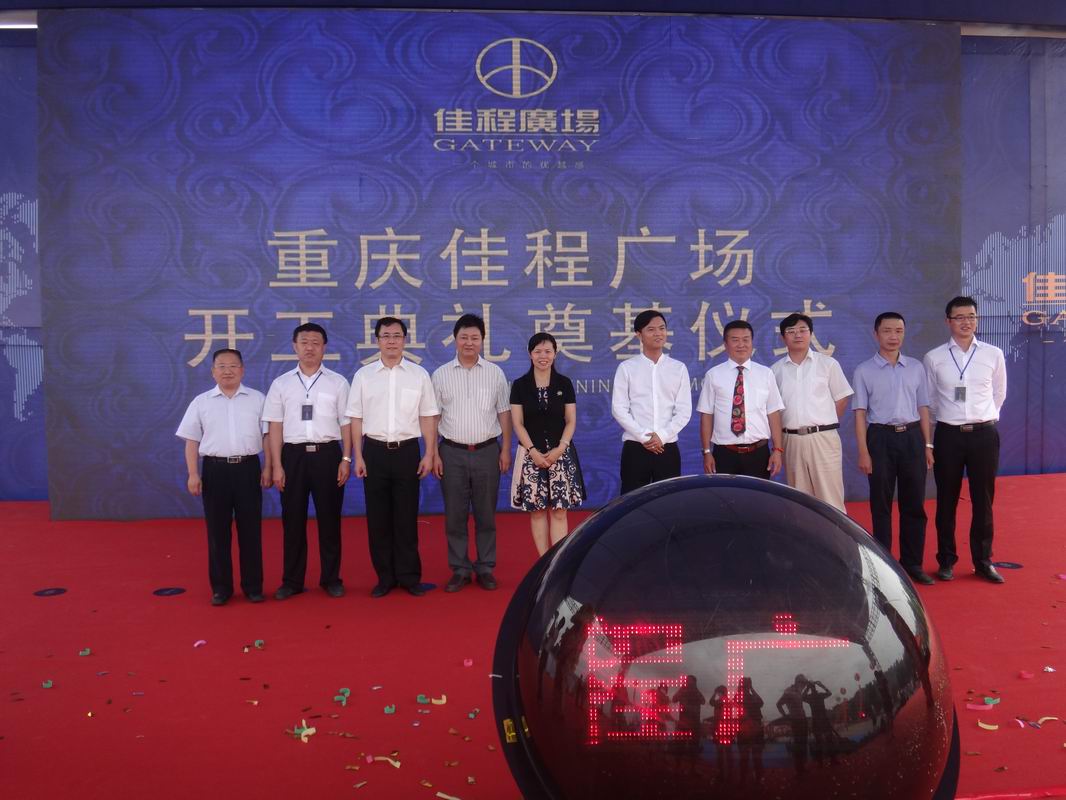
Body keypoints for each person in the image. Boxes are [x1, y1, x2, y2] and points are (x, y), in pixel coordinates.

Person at [346, 317, 439, 597]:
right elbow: (355, 418)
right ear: (377, 340)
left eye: (396, 336)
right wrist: (358, 456)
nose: (391, 341)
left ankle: (409, 577)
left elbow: (427, 416)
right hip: (373, 452)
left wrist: (429, 453)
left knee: (406, 517)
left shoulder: (418, 375)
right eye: (385, 336)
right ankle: (385, 578)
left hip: (407, 452)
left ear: (404, 340)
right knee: (378, 519)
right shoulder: (364, 376)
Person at [262, 323, 352, 600]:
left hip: (328, 455)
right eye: (304, 342)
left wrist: (346, 458)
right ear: (295, 346)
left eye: (315, 342)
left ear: (324, 347)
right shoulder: (281, 384)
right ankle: (292, 581)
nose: (310, 347)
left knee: (330, 520)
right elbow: (274, 426)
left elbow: (346, 423)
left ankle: (331, 579)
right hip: (293, 457)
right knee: (292, 521)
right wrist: (277, 465)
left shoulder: (338, 382)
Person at [923, 296, 1008, 583]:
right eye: (959, 317)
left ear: (977, 319)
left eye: (971, 316)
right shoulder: (934, 357)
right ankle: (946, 560)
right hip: (949, 435)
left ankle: (983, 561)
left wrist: (985, 417)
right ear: (948, 321)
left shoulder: (993, 354)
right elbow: (930, 400)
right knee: (946, 500)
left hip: (984, 434)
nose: (966, 322)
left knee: (983, 500)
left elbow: (999, 393)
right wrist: (938, 432)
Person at [176, 348, 271, 605]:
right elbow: (191, 441)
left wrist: (268, 467)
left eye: (233, 366)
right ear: (213, 371)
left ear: (242, 370)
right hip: (214, 470)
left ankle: (253, 586)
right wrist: (193, 474)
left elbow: (267, 436)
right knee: (217, 532)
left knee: (250, 530)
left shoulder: (258, 399)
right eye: (221, 366)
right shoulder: (201, 402)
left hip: (248, 468)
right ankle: (221, 588)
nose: (227, 371)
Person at [852, 312, 935, 584]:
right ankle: (885, 567)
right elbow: (860, 414)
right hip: (880, 438)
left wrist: (927, 445)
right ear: (876, 334)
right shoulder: (864, 370)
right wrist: (863, 451)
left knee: (914, 503)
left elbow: (923, 408)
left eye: (898, 331)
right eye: (887, 331)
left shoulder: (915, 367)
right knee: (881, 505)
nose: (893, 336)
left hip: (912, 437)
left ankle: (913, 563)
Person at [431, 313, 512, 593]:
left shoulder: (495, 373)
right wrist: (433, 453)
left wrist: (506, 449)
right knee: (455, 515)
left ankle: (485, 567)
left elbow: (504, 413)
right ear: (455, 340)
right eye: (464, 337)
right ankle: (460, 569)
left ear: (482, 340)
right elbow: (432, 418)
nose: (469, 342)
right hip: (451, 452)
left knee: (486, 514)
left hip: (487, 451)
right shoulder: (440, 374)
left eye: (474, 337)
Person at [510, 332, 586, 555]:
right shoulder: (520, 385)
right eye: (538, 351)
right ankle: (544, 562)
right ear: (530, 354)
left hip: (560, 454)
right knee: (537, 510)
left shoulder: (564, 383)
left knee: (560, 511)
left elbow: (571, 420)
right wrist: (532, 451)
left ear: (555, 353)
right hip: (531, 456)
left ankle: (557, 561)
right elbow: (517, 423)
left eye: (548, 351)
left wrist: (560, 448)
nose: (543, 356)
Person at [771, 312, 853, 511]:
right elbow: (773, 410)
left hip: (823, 438)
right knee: (800, 501)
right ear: (783, 337)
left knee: (830, 498)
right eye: (791, 331)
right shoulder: (774, 370)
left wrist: (822, 423)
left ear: (811, 333)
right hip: (791, 440)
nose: (797, 335)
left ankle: (835, 533)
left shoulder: (828, 364)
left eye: (803, 330)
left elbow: (842, 398)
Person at [611, 310, 691, 494]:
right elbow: (619, 409)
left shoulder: (678, 368)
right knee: (632, 502)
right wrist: (644, 436)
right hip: (635, 447)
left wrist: (662, 436)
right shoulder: (627, 368)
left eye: (662, 328)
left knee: (668, 501)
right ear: (639, 335)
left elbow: (684, 411)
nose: (658, 333)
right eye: (651, 329)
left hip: (667, 447)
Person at [699, 320, 784, 478]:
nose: (741, 345)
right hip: (724, 453)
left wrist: (778, 450)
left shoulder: (765, 374)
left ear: (752, 342)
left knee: (757, 494)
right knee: (724, 494)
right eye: (735, 340)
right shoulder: (713, 375)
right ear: (725, 344)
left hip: (759, 453)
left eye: (746, 339)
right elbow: (706, 415)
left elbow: (773, 413)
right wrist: (707, 451)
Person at [776, 675, 809, 776]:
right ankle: (799, 770)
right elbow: (778, 704)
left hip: (803, 720)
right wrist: (785, 716)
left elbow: (802, 697)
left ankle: (802, 767)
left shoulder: (798, 691)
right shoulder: (788, 691)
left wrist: (808, 687)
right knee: (798, 745)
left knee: (803, 744)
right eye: (803, 683)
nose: (804, 685)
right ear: (798, 682)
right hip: (796, 721)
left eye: (804, 684)